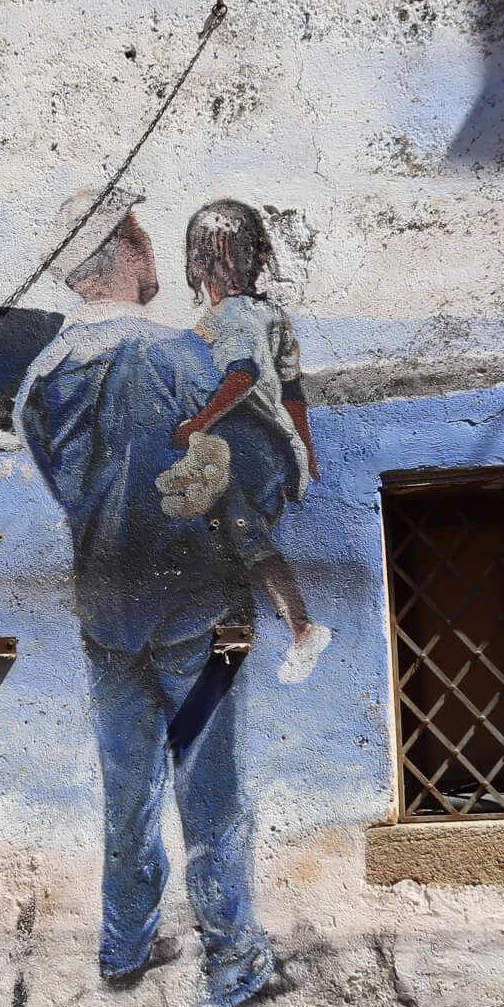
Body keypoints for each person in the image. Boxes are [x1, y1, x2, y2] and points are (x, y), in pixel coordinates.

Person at [18, 186, 303, 1007]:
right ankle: (233, 959)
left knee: (126, 787)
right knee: (209, 790)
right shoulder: (179, 356)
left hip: (105, 613)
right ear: (129, 248)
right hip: (195, 612)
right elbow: (253, 466)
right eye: (141, 233)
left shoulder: (42, 375)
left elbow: (64, 485)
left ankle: (125, 944)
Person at [170, 198, 331, 683]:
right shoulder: (272, 315)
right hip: (274, 452)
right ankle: (237, 630)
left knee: (240, 536)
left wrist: (195, 423)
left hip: (243, 451)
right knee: (231, 540)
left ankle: (301, 628)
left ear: (199, 266)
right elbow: (294, 392)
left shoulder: (226, 320)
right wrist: (306, 453)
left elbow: (242, 376)